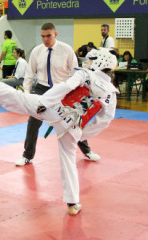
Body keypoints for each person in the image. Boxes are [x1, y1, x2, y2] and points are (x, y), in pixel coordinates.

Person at [0, 47, 119, 215]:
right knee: (68, 161)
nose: (89, 63)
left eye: (92, 60)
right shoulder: (111, 94)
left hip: (55, 109)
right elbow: (103, 122)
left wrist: (44, 102)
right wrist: (81, 133)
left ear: (99, 61)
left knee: (18, 98)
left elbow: (65, 87)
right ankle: (72, 203)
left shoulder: (85, 74)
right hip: (72, 127)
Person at [17, 22, 100, 167]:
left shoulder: (66, 50)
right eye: (42, 36)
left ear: (55, 34)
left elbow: (76, 73)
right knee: (33, 123)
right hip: (42, 90)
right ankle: (27, 155)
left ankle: (87, 151)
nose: (45, 39)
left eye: (48, 36)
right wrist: (27, 94)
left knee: (73, 123)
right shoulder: (37, 51)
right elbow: (29, 74)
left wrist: (76, 94)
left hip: (61, 90)